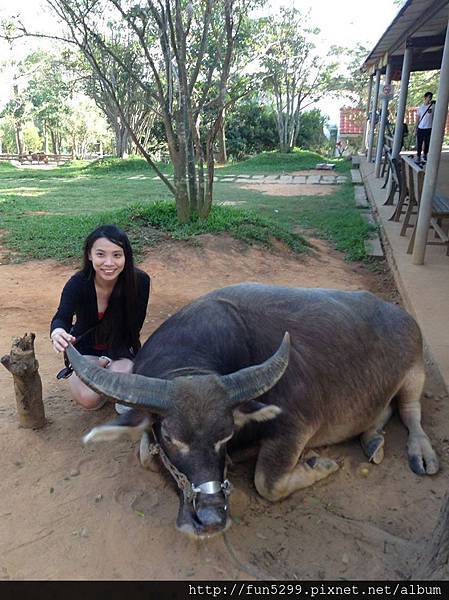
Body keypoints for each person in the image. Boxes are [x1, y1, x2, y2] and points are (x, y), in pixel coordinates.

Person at [50, 224, 150, 411]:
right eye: (101, 254)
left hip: (120, 348)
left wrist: (116, 356)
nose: (109, 263)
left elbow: (134, 328)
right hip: (86, 347)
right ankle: (103, 381)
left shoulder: (140, 282)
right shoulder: (78, 283)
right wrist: (57, 332)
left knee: (123, 400)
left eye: (117, 255)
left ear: (126, 256)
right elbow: (61, 317)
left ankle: (112, 374)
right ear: (89, 255)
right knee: (90, 400)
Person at [416, 91, 435, 163]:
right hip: (421, 128)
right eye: (429, 97)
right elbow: (418, 117)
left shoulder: (433, 106)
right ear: (425, 97)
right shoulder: (420, 107)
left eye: (431, 97)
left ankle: (425, 154)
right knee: (419, 143)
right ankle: (418, 155)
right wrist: (416, 127)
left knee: (427, 142)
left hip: (429, 128)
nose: (430, 98)